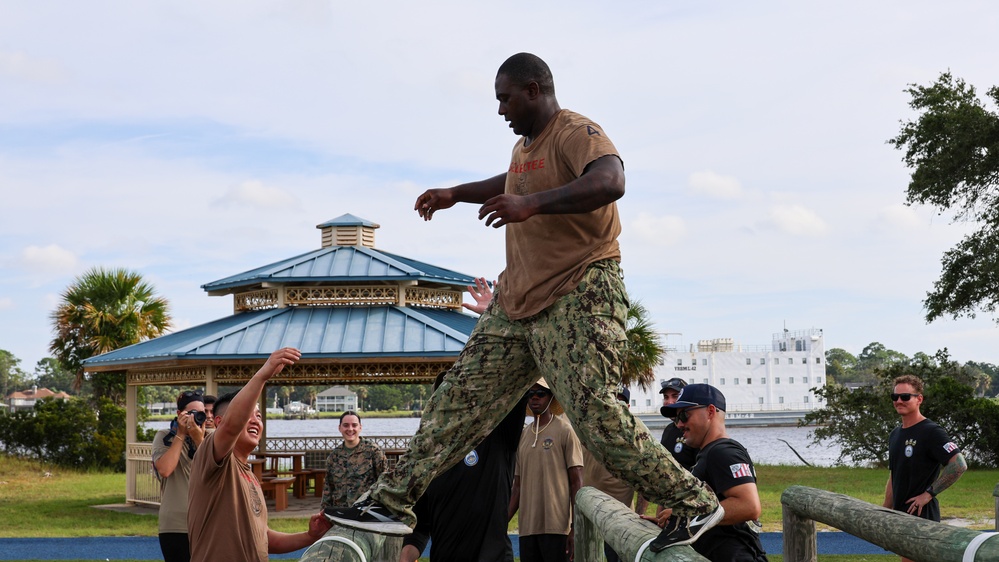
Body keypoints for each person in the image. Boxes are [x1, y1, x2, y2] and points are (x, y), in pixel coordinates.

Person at [327, 51, 722, 551]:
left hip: (579, 290)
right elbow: (510, 182)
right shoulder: (523, 148)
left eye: (504, 98)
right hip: (516, 304)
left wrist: (531, 204)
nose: (500, 110)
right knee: (454, 401)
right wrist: (455, 193)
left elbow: (611, 180)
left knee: (598, 418)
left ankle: (696, 502)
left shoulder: (576, 131)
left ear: (534, 89)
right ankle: (391, 501)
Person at [187, 348, 331, 562]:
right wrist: (263, 375)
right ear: (218, 423)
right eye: (249, 415)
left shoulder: (250, 477)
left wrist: (310, 536)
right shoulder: (213, 458)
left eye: (259, 416)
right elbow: (231, 426)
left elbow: (263, 537)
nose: (256, 421)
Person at [399, 373, 529, 562]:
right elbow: (419, 526)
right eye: (446, 394)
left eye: (460, 392)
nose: (453, 400)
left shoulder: (499, 435)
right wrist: (405, 557)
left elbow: (519, 386)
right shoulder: (430, 455)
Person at [661, 384, 768, 560]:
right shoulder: (708, 453)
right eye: (676, 417)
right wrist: (674, 519)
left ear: (711, 412)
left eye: (684, 415)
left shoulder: (723, 452)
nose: (679, 424)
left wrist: (684, 515)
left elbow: (749, 506)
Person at [882, 375, 967, 562]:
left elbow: (959, 464)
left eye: (905, 397)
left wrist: (928, 494)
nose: (898, 401)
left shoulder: (931, 432)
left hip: (922, 515)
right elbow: (894, 475)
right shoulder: (895, 434)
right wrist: (885, 511)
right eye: (894, 397)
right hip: (899, 514)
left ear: (919, 399)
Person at [509, 379, 583, 562]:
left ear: (551, 397)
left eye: (541, 393)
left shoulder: (565, 431)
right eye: (530, 393)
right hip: (527, 530)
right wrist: (501, 522)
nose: (534, 397)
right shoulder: (523, 436)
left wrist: (575, 527)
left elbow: (577, 483)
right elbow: (517, 487)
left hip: (558, 529)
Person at [581, 384, 648, 562]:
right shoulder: (587, 432)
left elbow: (645, 481)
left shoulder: (634, 437)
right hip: (588, 516)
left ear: (627, 408)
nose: (615, 406)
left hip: (619, 522)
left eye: (620, 402)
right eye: (611, 400)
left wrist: (640, 518)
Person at [151, 390, 207, 562]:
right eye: (191, 413)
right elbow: (165, 470)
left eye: (201, 414)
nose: (195, 417)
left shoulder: (211, 438)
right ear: (179, 414)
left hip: (207, 523)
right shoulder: (164, 437)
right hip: (175, 525)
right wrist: (181, 434)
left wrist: (199, 439)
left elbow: (217, 469)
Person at [647, 377, 700, 529]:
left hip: (691, 509)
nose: (669, 401)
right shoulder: (669, 431)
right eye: (665, 397)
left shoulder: (696, 433)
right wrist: (660, 517)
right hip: (670, 507)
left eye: (675, 396)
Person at [320, 411, 387, 510]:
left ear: (360, 427)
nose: (350, 429)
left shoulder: (373, 452)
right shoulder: (334, 456)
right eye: (346, 425)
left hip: (366, 511)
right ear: (340, 428)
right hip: (341, 512)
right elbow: (328, 489)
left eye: (354, 425)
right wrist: (323, 513)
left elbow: (384, 483)